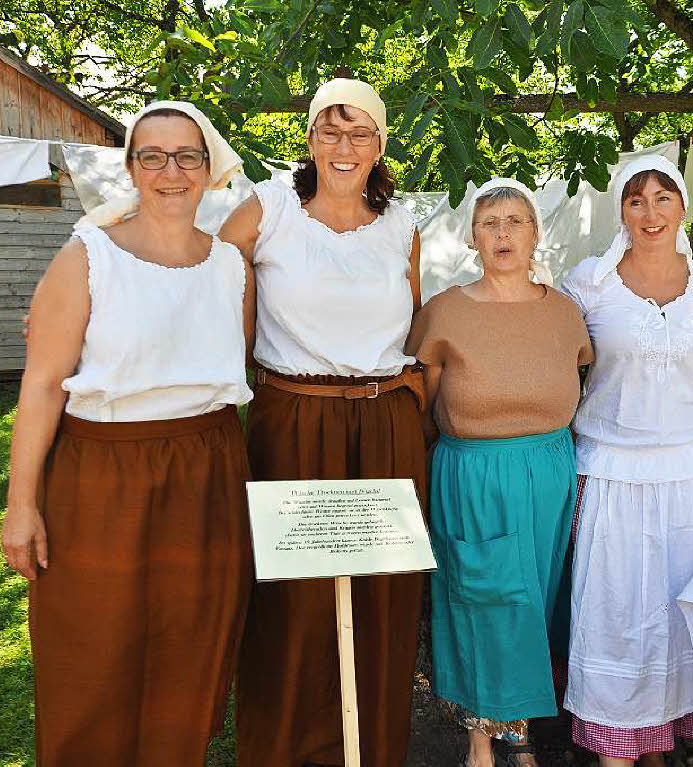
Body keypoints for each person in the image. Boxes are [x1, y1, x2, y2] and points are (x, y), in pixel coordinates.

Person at [0, 101, 255, 764]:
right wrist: (21, 504)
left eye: (186, 155)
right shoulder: (87, 258)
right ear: (132, 168)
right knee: (92, 652)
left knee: (190, 649)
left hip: (207, 473)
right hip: (102, 476)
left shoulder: (232, 267)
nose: (171, 171)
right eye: (152, 155)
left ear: (208, 168)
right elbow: (43, 384)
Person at [219, 78, 427, 767]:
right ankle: (284, 752)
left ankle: (369, 750)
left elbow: (419, 325)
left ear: (380, 144)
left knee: (383, 603)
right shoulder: (268, 209)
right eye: (330, 131)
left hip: (385, 426)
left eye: (360, 132)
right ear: (308, 139)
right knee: (290, 605)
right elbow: (200, 282)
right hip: (292, 421)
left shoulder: (402, 225)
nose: (344, 146)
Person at [561, 155, 693, 767]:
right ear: (621, 210)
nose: (650, 212)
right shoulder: (589, 282)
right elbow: (552, 360)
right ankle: (619, 745)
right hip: (612, 470)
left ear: (683, 207)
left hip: (692, 477)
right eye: (636, 200)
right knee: (616, 614)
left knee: (682, 613)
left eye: (663, 198)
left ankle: (661, 740)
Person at [406, 179, 593, 767]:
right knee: (482, 598)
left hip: (549, 473)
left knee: (535, 605)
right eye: (489, 222)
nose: (504, 233)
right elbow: (425, 403)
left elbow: (579, 379)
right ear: (471, 237)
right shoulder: (444, 312)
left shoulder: (565, 312)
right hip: (475, 473)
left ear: (537, 233)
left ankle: (524, 733)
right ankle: (481, 742)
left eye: (516, 221)